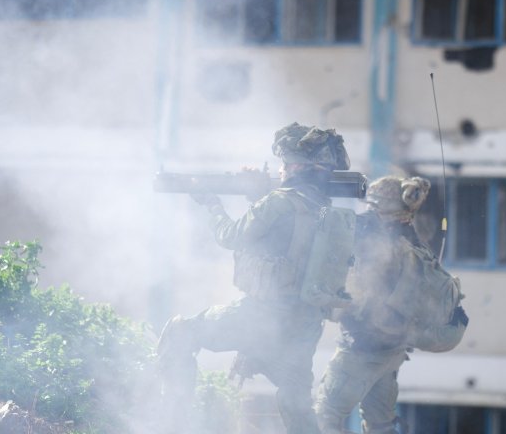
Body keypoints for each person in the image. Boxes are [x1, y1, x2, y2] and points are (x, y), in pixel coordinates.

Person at [156, 122, 351, 434]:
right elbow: (291, 239)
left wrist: (212, 204)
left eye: (285, 163)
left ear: (298, 165)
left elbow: (231, 236)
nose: (282, 169)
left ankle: (172, 424)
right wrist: (259, 194)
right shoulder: (325, 210)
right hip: (303, 323)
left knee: (180, 333)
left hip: (263, 317)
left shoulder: (278, 202)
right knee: (296, 405)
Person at [315, 175, 469, 434]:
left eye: (373, 207)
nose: (368, 213)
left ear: (385, 210)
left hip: (362, 352)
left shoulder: (382, 247)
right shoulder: (413, 242)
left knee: (323, 417)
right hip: (392, 352)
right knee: (381, 424)